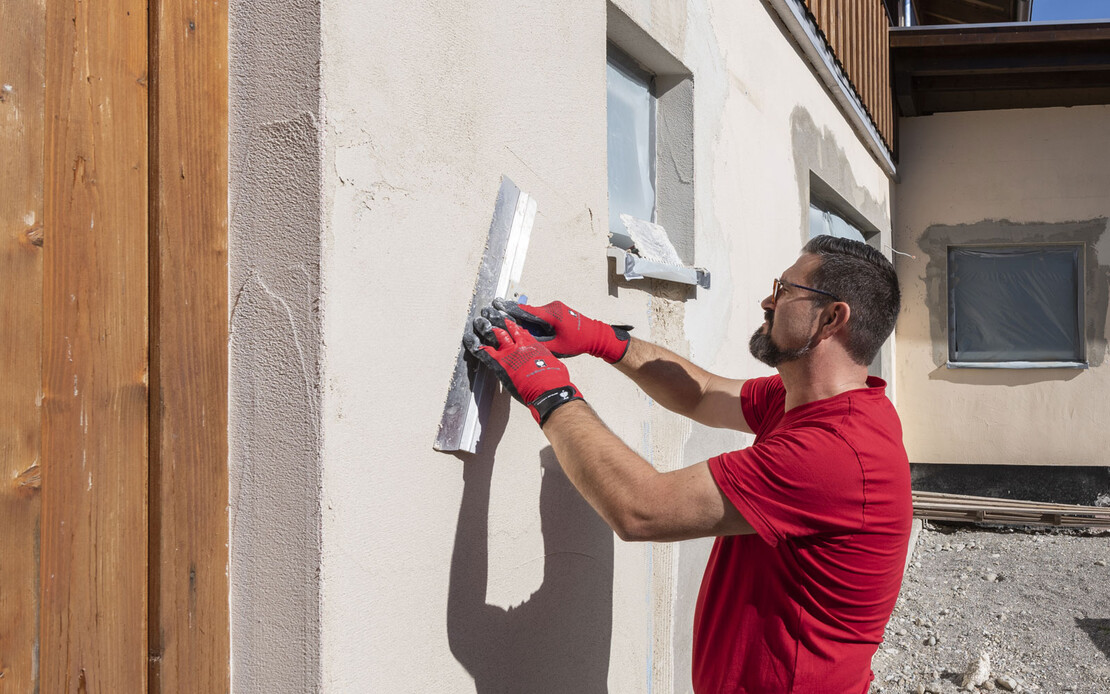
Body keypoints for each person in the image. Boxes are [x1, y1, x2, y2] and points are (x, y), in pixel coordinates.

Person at [463, 235, 911, 694]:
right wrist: (602, 339)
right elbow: (701, 392)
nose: (767, 301)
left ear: (832, 318)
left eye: (784, 290)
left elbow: (641, 510)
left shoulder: (835, 452)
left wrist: (549, 392)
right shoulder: (812, 403)